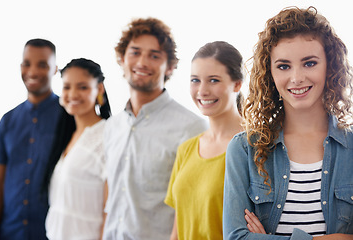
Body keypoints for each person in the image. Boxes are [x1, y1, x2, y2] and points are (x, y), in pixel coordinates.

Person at [223, 6, 353, 240]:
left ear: (330, 66)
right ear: (270, 73)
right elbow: (236, 237)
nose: (297, 78)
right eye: (284, 66)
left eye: (310, 63)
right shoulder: (244, 150)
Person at [102, 17, 208, 240]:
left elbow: (194, 206)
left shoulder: (191, 128)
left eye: (154, 55)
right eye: (135, 52)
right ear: (122, 59)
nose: (142, 62)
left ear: (169, 66)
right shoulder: (112, 126)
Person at [165, 41, 244, 240]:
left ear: (237, 84)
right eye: (195, 80)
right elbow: (178, 228)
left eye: (214, 80)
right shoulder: (186, 149)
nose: (202, 90)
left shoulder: (255, 146)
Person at [0, 39, 62, 240]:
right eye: (27, 64)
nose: (33, 71)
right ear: (20, 67)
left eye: (42, 65)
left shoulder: (68, 118)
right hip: (10, 232)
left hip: (51, 233)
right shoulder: (7, 121)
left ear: (54, 70)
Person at [43, 58, 111, 240]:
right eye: (66, 87)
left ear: (99, 89)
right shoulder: (67, 136)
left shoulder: (108, 136)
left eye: (82, 87)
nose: (72, 94)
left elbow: (110, 211)